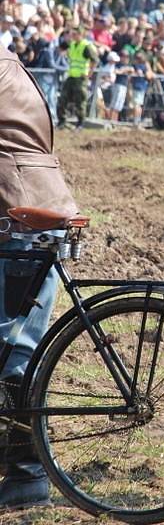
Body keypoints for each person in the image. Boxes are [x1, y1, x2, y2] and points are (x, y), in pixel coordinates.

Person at [0, 42, 78, 510]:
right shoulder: (7, 59)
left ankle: (27, 473)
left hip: (20, 219)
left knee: (12, 350)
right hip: (30, 206)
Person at [56, 27, 98, 129]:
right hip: (71, 76)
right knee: (62, 99)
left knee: (80, 101)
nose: (72, 36)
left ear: (81, 34)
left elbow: (94, 59)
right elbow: (59, 48)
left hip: (81, 78)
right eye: (72, 34)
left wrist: (89, 73)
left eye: (75, 34)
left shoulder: (86, 46)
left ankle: (80, 123)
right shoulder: (72, 45)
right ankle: (62, 121)